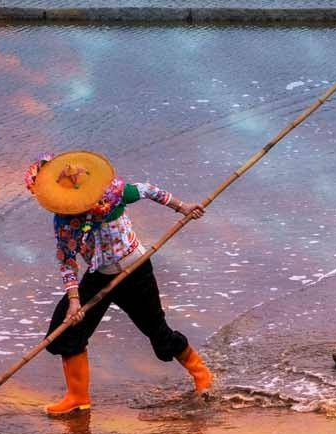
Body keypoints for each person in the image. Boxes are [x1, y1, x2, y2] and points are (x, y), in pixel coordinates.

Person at [24, 150, 213, 415]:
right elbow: (67, 258)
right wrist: (74, 300)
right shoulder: (64, 218)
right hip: (99, 275)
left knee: (158, 333)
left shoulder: (114, 193)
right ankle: (78, 397)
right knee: (67, 329)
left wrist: (182, 207)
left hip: (135, 270)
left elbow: (147, 190)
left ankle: (201, 373)